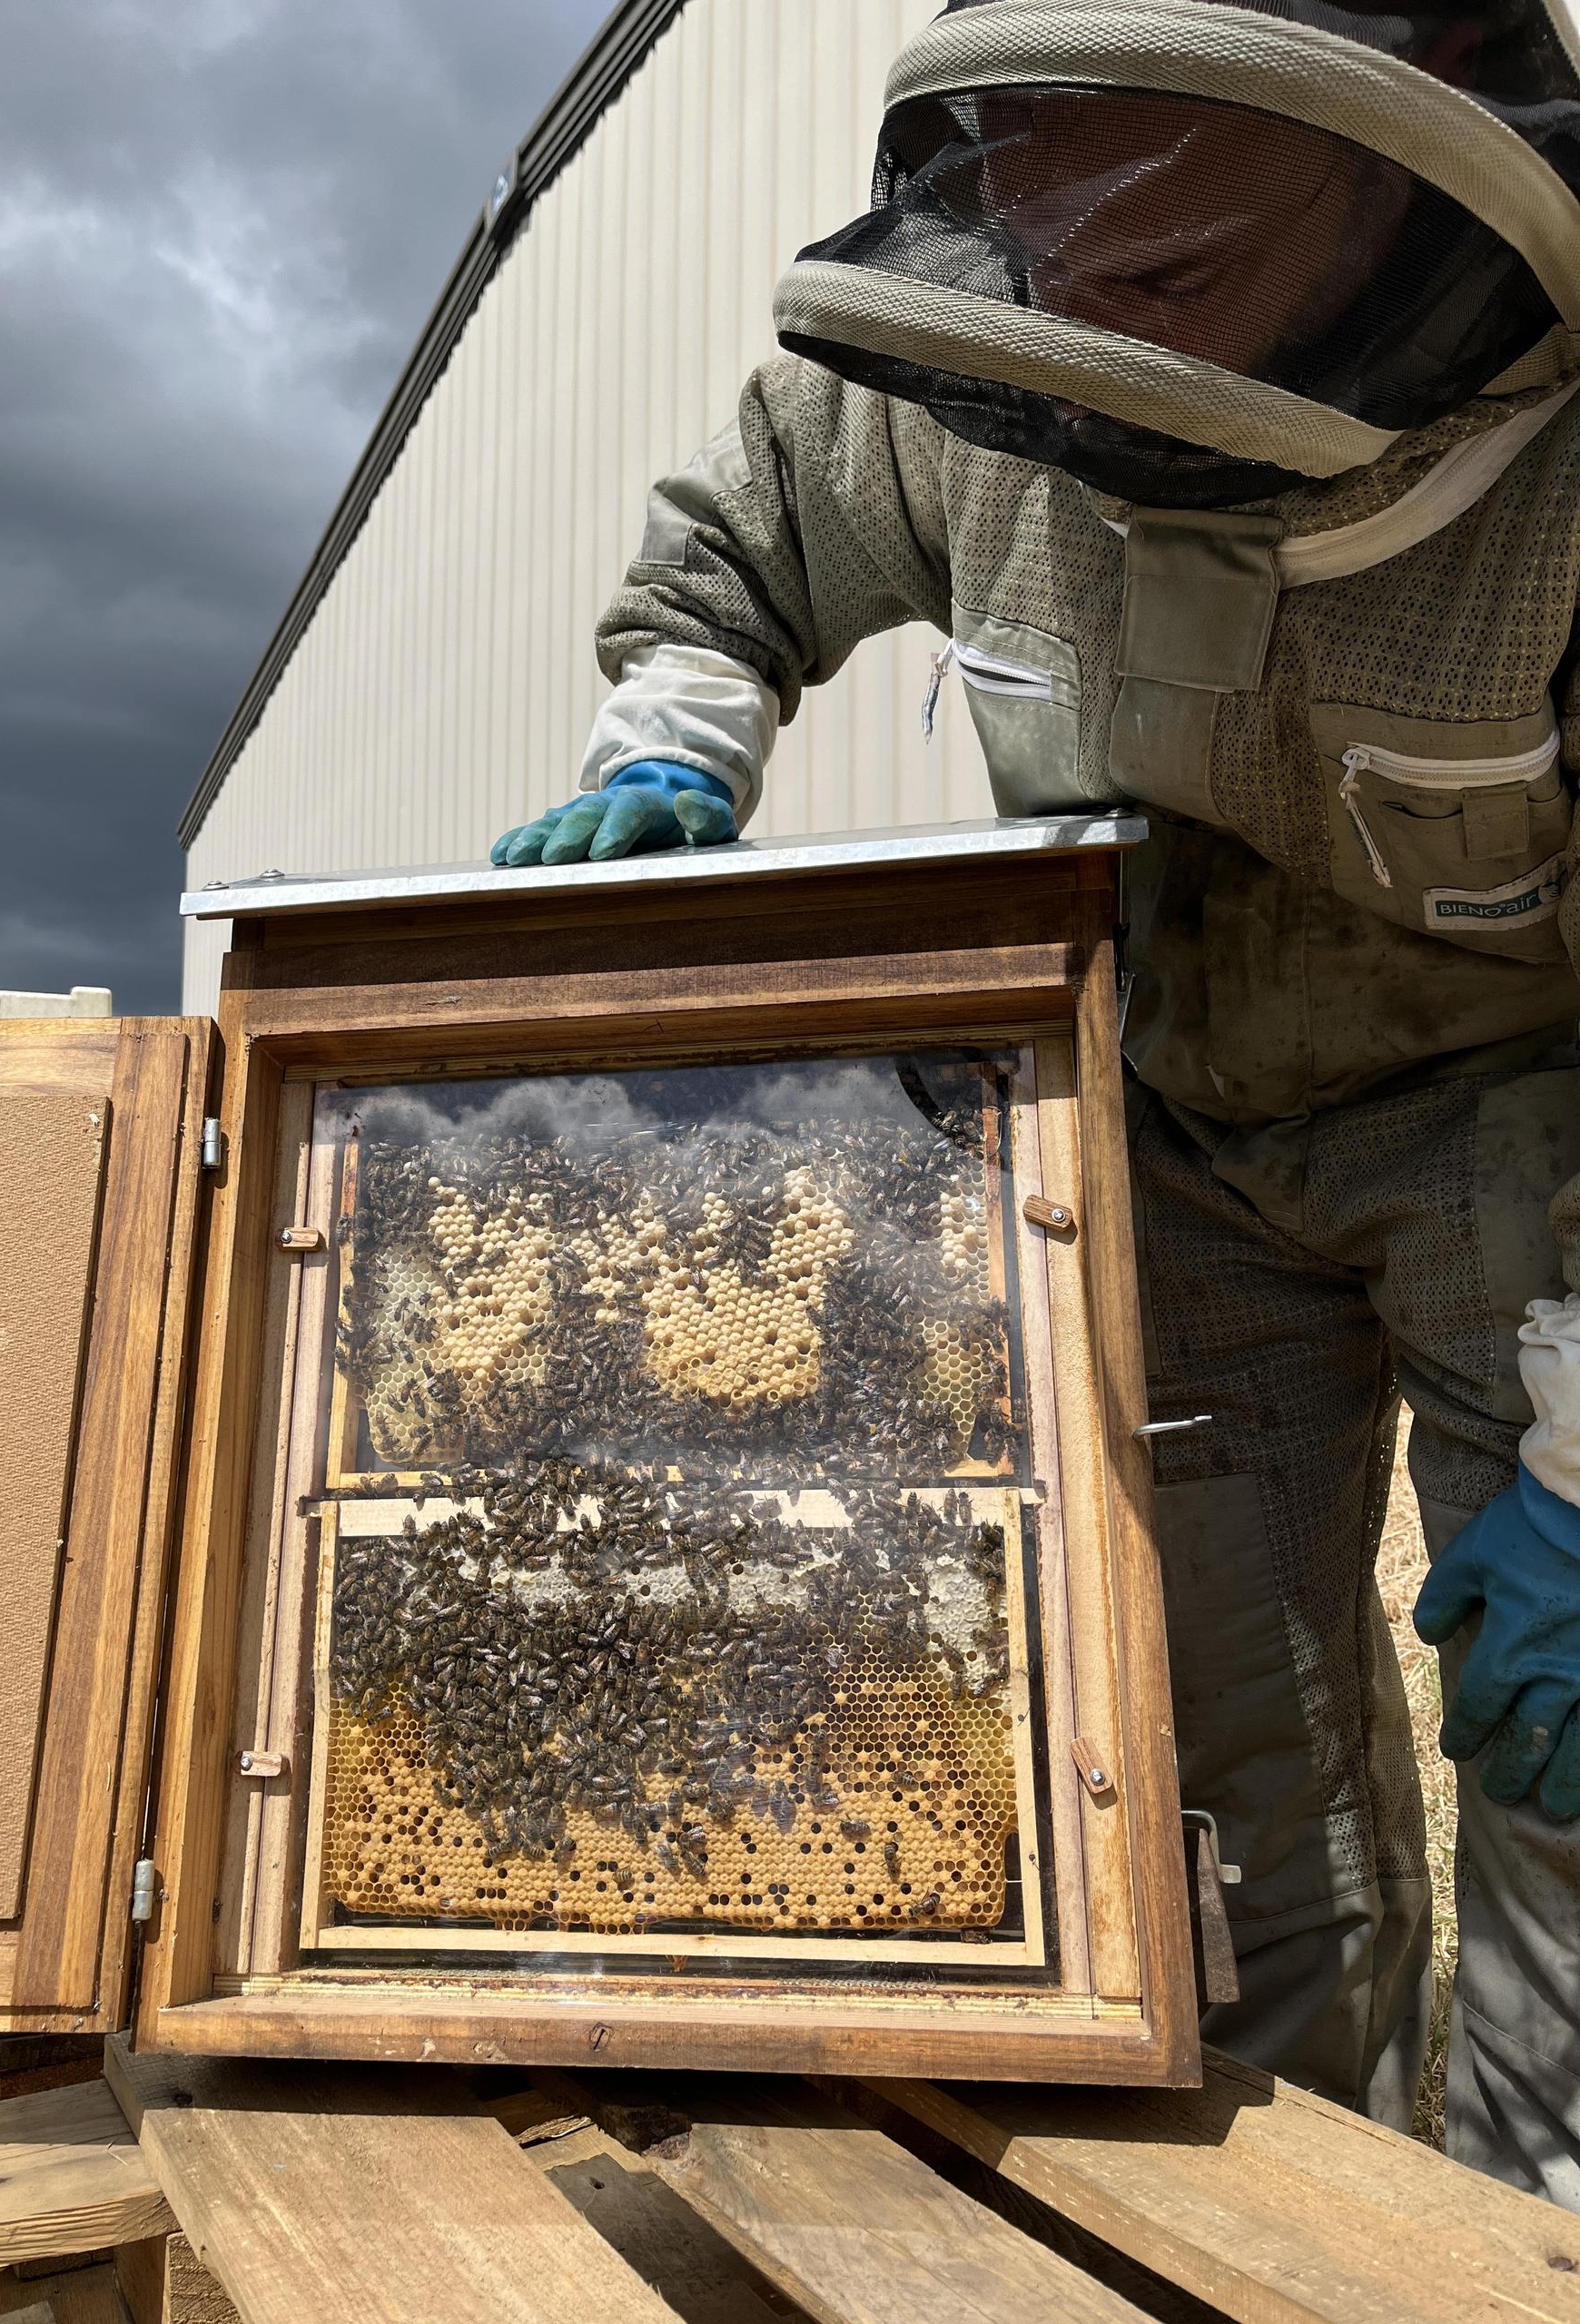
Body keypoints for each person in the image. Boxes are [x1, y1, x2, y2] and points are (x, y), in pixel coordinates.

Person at [493, 0, 1580, 2205]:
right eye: (1039, 219)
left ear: (1402, 168)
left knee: (1562, 1749)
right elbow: (729, 560)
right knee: (1217, 1748)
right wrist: (671, 754)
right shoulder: (963, 387)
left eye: (1164, 254)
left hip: (1526, 1124)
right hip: (1163, 1111)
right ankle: (1300, 2221)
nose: (1087, 302)